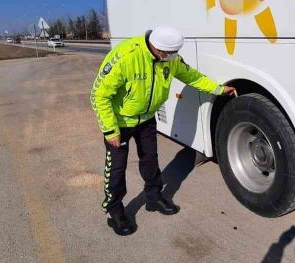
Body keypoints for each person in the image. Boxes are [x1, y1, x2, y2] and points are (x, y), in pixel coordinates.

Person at [90, 26, 236, 236]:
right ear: (156, 47)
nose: (171, 58)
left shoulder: (170, 58)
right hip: (119, 122)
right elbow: (99, 95)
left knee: (150, 160)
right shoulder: (125, 56)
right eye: (167, 54)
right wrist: (110, 130)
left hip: (147, 119)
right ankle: (115, 210)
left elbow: (192, 76)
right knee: (117, 169)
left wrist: (219, 89)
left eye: (173, 54)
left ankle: (153, 197)